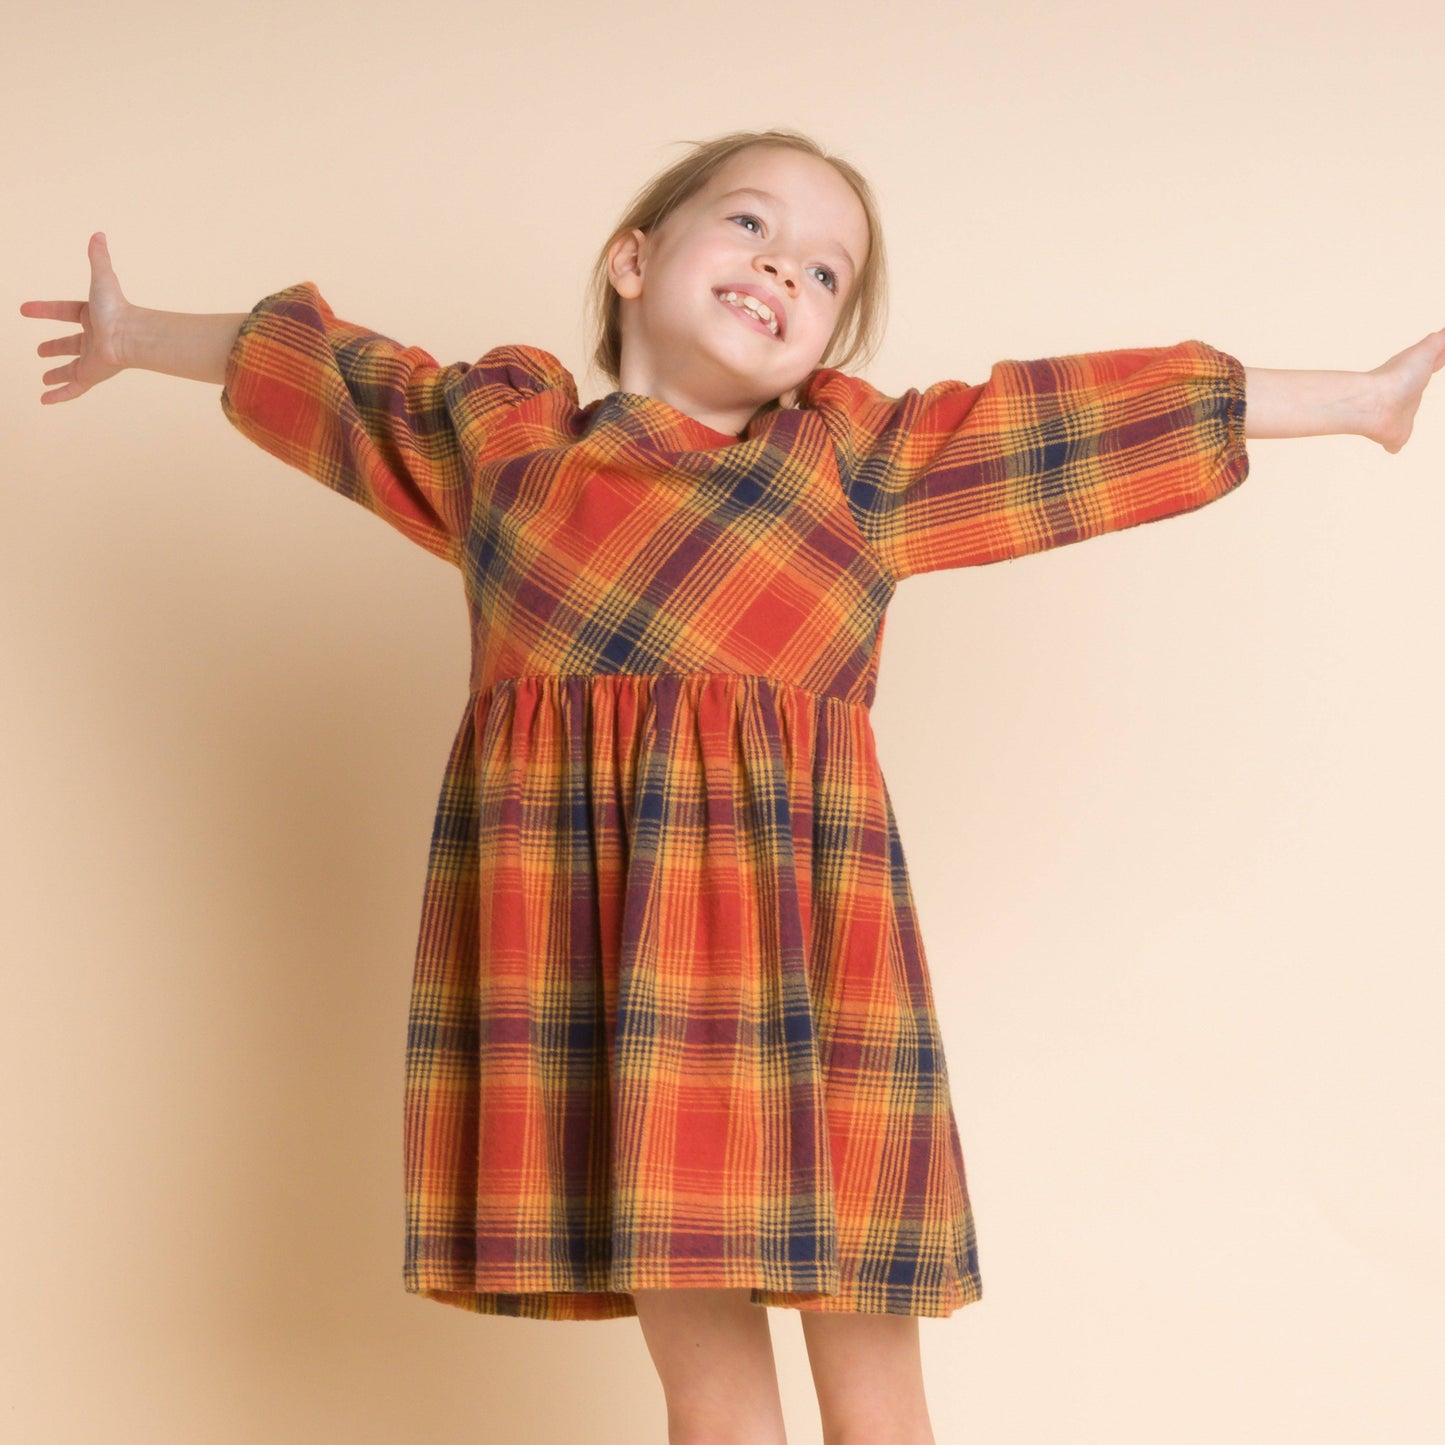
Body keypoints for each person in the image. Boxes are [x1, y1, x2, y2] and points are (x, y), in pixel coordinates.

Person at [22, 127, 1444, 1445]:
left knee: (878, 1403)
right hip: (606, 981)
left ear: (823, 339)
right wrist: (138, 335)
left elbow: (1069, 420)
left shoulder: (853, 466)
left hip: (809, 977)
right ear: (633, 261)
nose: (781, 266)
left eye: (822, 271)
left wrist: (1360, 398)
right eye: (749, 224)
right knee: (710, 1402)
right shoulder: (502, 444)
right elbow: (326, 369)